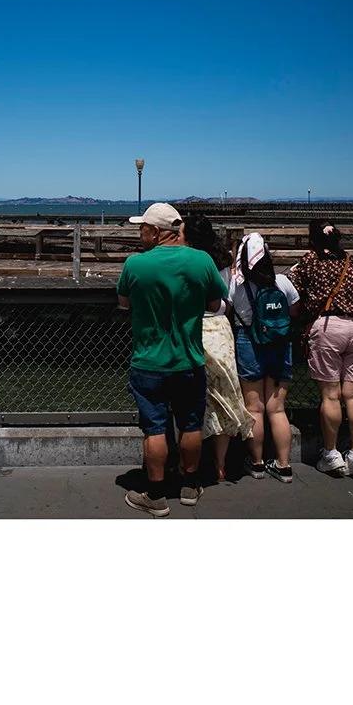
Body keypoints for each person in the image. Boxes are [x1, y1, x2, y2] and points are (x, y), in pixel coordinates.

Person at [116, 202, 228, 517]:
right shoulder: (201, 260)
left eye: (142, 228)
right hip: (189, 360)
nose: (139, 233)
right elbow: (215, 301)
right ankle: (189, 485)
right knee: (190, 424)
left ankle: (155, 494)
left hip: (149, 361)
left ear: (155, 231)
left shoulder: (135, 265)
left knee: (155, 428)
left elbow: (124, 302)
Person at [288, 219, 353, 478]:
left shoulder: (310, 260)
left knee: (331, 396)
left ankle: (331, 453)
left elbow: (292, 286)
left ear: (312, 240)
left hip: (327, 328)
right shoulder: (349, 260)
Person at [227, 231, 301, 481]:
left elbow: (228, 308)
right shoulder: (281, 281)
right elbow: (294, 309)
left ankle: (257, 463)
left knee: (254, 408)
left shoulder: (237, 283)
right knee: (277, 409)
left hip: (248, 342)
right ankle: (283, 465)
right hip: (280, 344)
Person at [183, 212, 249, 483]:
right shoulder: (223, 260)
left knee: (191, 399)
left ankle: (189, 464)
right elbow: (227, 299)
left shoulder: (188, 261)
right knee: (224, 395)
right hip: (220, 328)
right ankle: (221, 464)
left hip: (193, 327)